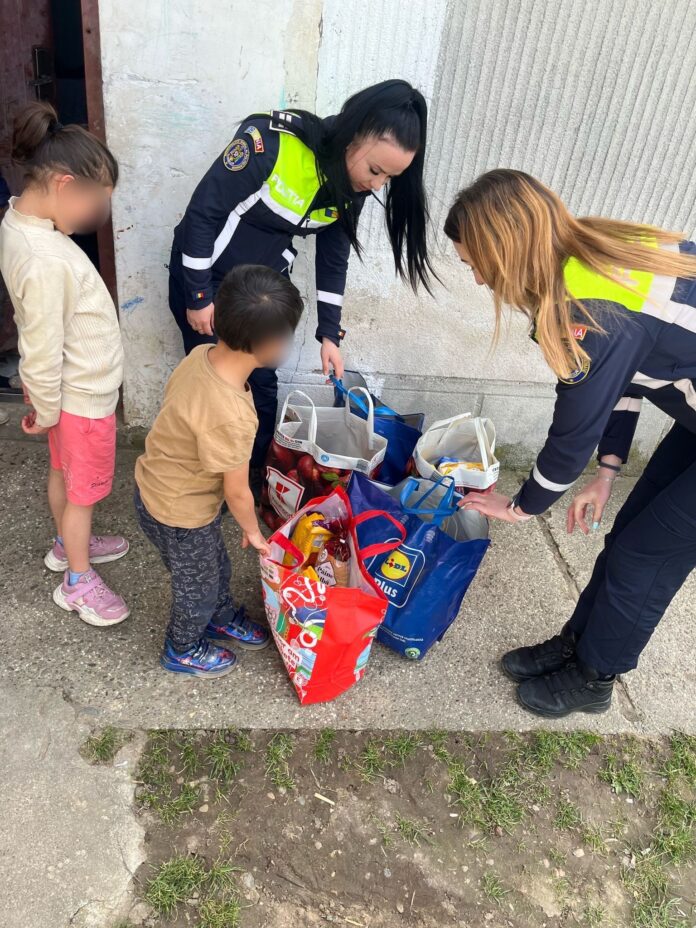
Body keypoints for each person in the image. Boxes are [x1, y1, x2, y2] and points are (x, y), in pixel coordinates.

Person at [444, 169, 696, 719]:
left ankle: (594, 678)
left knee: (643, 557)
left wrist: (520, 506)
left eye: (476, 265)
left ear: (506, 251)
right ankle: (578, 645)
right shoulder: (595, 250)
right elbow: (626, 378)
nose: (480, 281)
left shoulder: (587, 311)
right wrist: (608, 472)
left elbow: (571, 436)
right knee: (629, 536)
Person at [168, 79, 435, 496]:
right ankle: (204, 481)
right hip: (209, 280)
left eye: (390, 177)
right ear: (352, 136)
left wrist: (330, 334)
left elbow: (334, 254)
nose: (378, 184)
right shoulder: (270, 145)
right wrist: (198, 296)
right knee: (215, 388)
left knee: (261, 386)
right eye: (375, 170)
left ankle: (252, 480)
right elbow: (203, 214)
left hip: (262, 294)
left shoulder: (352, 186)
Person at [135, 264, 304, 677]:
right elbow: (237, 491)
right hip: (180, 511)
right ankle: (182, 647)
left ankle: (220, 615)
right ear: (268, 345)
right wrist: (252, 531)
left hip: (159, 487)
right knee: (196, 589)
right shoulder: (232, 415)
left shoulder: (200, 356)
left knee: (215, 566)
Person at [0, 102, 129, 626]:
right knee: (83, 493)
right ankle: (77, 580)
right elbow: (40, 341)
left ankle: (67, 543)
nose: (96, 217)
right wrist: (49, 407)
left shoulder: (22, 224)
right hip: (81, 400)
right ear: (64, 185)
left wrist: (45, 403)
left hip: (64, 397)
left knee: (65, 473)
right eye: (96, 204)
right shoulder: (45, 258)